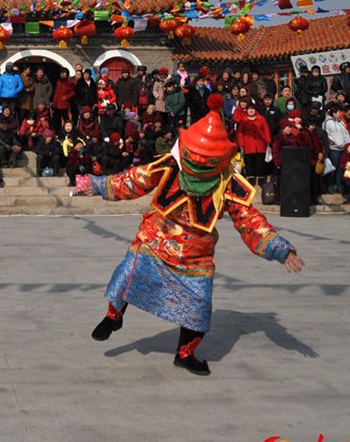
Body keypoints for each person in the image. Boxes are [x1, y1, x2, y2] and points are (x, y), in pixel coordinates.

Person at [76, 93, 304, 376]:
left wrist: (279, 249)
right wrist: (98, 185)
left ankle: (184, 354)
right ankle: (114, 317)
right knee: (128, 274)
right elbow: (134, 179)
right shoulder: (170, 166)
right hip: (156, 238)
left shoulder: (228, 184)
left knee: (198, 308)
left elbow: (250, 220)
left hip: (196, 255)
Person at [234, 103, 270, 187]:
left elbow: (266, 130)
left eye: (252, 109)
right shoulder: (243, 120)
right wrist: (241, 143)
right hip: (248, 143)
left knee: (260, 161)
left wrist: (268, 140)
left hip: (260, 143)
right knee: (249, 161)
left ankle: (261, 177)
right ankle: (251, 177)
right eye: (249, 109)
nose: (251, 111)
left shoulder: (261, 119)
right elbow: (240, 133)